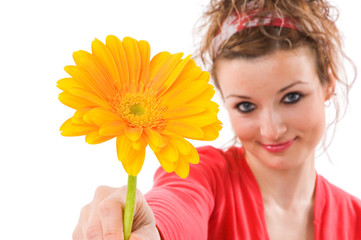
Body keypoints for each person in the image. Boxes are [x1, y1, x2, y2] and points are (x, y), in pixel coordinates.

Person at [72, 0, 361, 239]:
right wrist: (153, 228)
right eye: (246, 106)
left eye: (292, 97)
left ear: (328, 83)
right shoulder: (204, 175)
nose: (272, 130)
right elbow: (179, 202)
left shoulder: (356, 219)